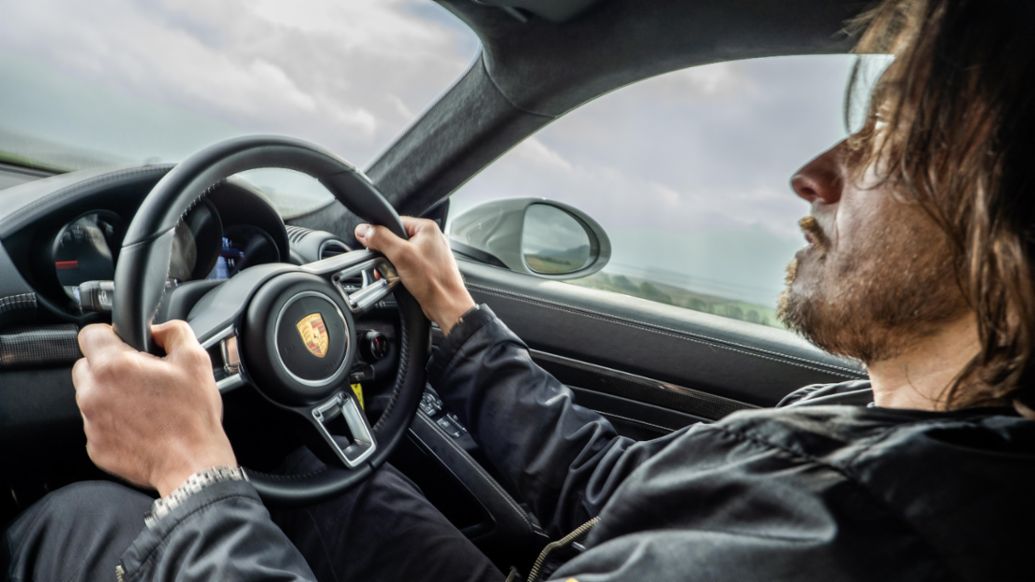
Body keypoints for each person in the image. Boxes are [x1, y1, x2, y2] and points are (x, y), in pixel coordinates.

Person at [6, 0, 1035, 579]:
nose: (813, 175)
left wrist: (191, 478)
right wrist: (458, 322)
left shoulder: (857, 540)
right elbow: (616, 488)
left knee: (80, 522)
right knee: (336, 478)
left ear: (1013, 220)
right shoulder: (890, 431)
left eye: (891, 138)